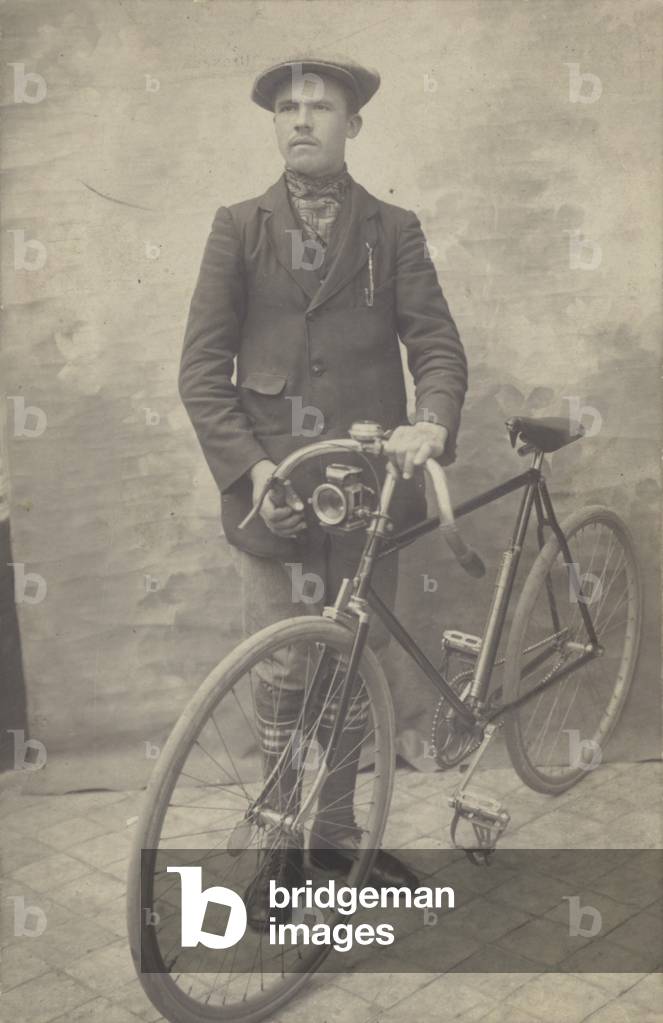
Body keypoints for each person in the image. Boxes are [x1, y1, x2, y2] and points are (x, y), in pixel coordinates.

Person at [179, 54, 468, 928]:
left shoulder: (393, 229)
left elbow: (438, 348)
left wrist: (432, 424)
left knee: (349, 664)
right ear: (274, 125)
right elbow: (201, 371)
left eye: (321, 107)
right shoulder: (237, 227)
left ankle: (335, 838)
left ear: (354, 124)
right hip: (274, 490)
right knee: (281, 663)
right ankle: (275, 845)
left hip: (365, 487)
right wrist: (256, 470)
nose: (302, 119)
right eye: (288, 108)